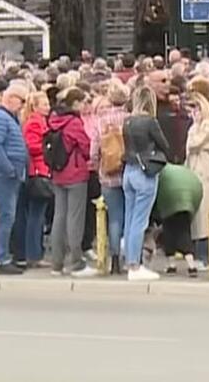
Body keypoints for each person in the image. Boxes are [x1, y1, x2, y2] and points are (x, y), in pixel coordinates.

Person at [122, 86, 171, 281]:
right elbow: (164, 145)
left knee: (130, 218)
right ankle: (135, 266)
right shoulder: (150, 121)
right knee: (140, 221)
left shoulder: (127, 121)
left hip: (129, 170)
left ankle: (129, 262)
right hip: (145, 172)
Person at [48, 87, 97, 278]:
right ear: (75, 103)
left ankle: (56, 264)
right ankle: (76, 262)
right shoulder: (74, 122)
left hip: (58, 172)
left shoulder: (54, 119)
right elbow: (86, 146)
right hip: (75, 173)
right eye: (84, 101)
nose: (86, 105)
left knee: (59, 218)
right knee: (74, 219)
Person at [0, 81, 30, 275]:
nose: (23, 105)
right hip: (4, 175)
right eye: (22, 100)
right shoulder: (1, 118)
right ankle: (2, 259)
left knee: (9, 216)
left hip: (9, 174)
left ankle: (5, 256)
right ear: (11, 99)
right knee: (6, 216)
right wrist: (10, 169)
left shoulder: (8, 118)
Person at [89, 81, 129, 274]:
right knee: (130, 215)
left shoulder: (101, 120)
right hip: (128, 171)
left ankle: (114, 260)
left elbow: (94, 149)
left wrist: (98, 167)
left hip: (107, 173)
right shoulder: (130, 119)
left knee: (114, 217)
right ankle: (128, 255)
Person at [185, 91, 209, 266]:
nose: (192, 113)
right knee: (198, 214)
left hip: (206, 169)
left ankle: (206, 255)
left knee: (206, 212)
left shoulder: (207, 126)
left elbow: (194, 144)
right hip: (195, 167)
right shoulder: (196, 126)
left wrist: (195, 126)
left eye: (194, 108)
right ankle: (201, 253)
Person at [16, 90, 52, 269]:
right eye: (44, 104)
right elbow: (30, 146)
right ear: (35, 106)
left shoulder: (39, 121)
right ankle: (34, 254)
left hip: (39, 169)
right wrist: (48, 146)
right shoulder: (34, 123)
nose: (48, 107)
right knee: (36, 216)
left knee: (37, 215)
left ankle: (34, 252)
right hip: (38, 170)